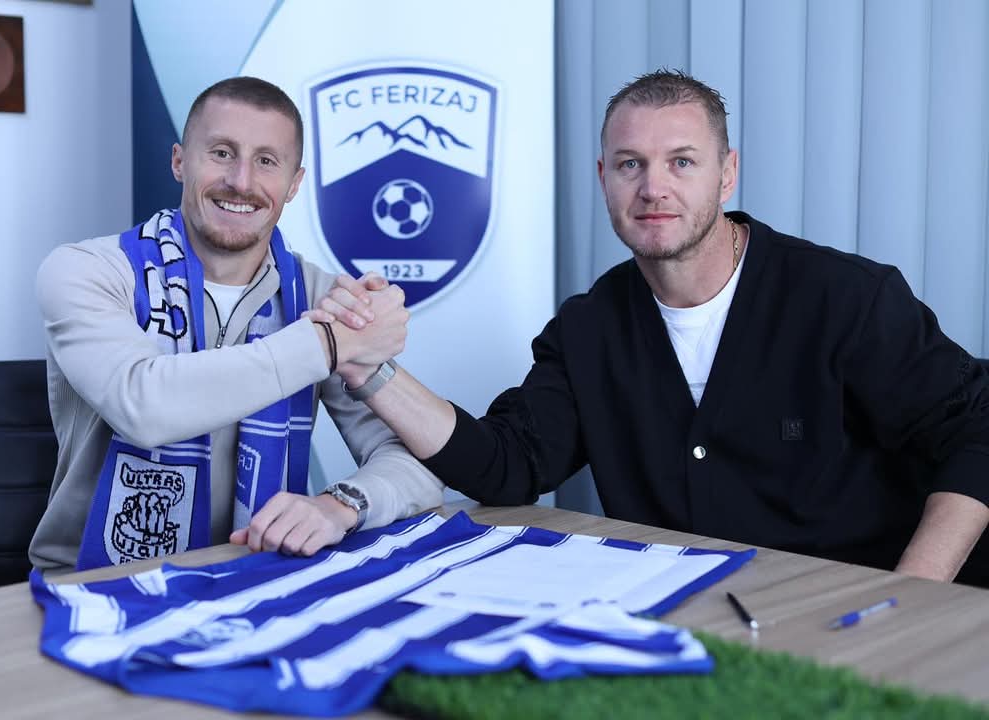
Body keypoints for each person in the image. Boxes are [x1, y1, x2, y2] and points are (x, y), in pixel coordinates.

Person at [315, 69, 989, 585]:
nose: (652, 188)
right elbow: (507, 467)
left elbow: (976, 430)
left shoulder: (843, 298)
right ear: (604, 178)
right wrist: (370, 369)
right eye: (630, 164)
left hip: (858, 610)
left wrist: (913, 594)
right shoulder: (588, 329)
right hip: (697, 622)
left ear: (727, 174)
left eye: (682, 162)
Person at [29, 77, 442, 573]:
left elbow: (419, 462)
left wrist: (342, 505)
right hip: (90, 584)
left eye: (266, 161)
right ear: (180, 162)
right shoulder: (87, 271)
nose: (241, 182)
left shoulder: (321, 299)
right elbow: (142, 405)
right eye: (222, 153)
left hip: (255, 576)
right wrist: (328, 344)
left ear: (294, 184)